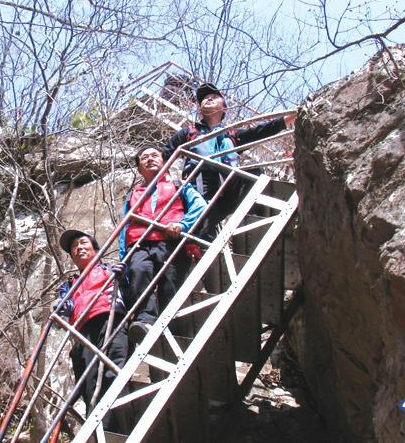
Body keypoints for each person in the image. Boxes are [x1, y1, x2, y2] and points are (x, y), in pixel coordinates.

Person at [162, 82, 297, 243]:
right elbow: (166, 154)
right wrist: (166, 177)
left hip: (227, 185)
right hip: (198, 184)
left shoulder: (233, 135)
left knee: (255, 173)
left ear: (224, 109)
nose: (208, 98)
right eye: (204, 98)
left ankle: (254, 219)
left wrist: (294, 114)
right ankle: (203, 244)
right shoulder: (189, 132)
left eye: (214, 96)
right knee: (204, 221)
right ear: (200, 110)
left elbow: (263, 131)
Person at [120, 145, 207, 343]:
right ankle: (145, 322)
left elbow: (200, 205)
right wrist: (123, 259)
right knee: (139, 273)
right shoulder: (132, 194)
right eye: (144, 157)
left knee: (170, 282)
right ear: (139, 169)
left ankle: (171, 327)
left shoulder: (179, 185)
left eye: (155, 155)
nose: (149, 159)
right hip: (140, 245)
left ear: (165, 162)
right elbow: (124, 227)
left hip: (170, 243)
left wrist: (182, 225)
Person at [53, 229, 128, 431]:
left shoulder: (111, 270)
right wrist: (61, 306)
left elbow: (130, 291)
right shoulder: (69, 284)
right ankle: (101, 431)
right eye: (74, 247)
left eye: (83, 243)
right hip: (83, 332)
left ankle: (117, 427)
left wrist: (124, 277)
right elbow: (66, 305)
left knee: (115, 370)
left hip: (111, 319)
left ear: (96, 250)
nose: (79, 248)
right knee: (89, 384)